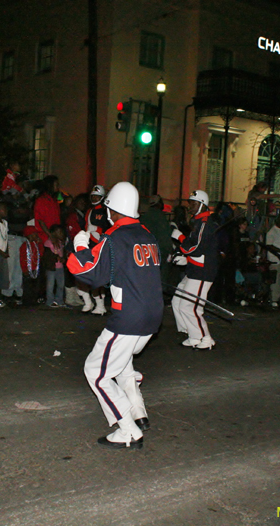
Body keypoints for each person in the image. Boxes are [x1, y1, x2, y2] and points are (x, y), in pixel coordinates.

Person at [67, 182, 163, 449]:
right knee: (122, 365)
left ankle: (128, 430)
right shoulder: (147, 234)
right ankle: (138, 413)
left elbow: (88, 271)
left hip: (129, 318)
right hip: (151, 318)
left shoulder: (115, 238)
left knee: (96, 372)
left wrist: (80, 245)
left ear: (113, 209)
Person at [171, 190, 220, 350]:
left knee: (189, 306)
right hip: (195, 269)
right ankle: (193, 334)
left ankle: (205, 338)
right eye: (190, 202)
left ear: (202, 205)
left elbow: (196, 248)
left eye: (193, 203)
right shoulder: (198, 222)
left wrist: (179, 238)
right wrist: (186, 259)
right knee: (177, 300)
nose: (190, 206)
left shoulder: (205, 223)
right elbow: (198, 249)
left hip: (202, 272)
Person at [82, 184, 111, 315]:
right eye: (92, 196)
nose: (94, 198)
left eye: (97, 196)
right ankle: (93, 304)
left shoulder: (106, 211)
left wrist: (98, 230)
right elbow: (86, 226)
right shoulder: (89, 211)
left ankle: (100, 305)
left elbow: (109, 229)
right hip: (90, 244)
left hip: (101, 245)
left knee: (98, 277)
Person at [139, 194, 174, 284]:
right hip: (158, 253)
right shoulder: (160, 216)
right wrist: (170, 250)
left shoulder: (144, 217)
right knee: (160, 280)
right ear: (159, 204)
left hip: (144, 253)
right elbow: (165, 236)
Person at [264, 213, 280, 307]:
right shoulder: (272, 232)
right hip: (275, 260)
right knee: (275, 281)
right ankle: (274, 299)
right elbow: (269, 246)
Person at [43, 224, 66, 307]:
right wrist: (57, 258)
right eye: (59, 232)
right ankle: (49, 301)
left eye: (61, 232)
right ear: (53, 233)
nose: (61, 234)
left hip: (60, 267)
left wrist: (63, 258)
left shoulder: (60, 243)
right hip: (51, 267)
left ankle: (59, 300)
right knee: (50, 285)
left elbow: (62, 253)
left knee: (60, 285)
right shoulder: (48, 242)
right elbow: (47, 255)